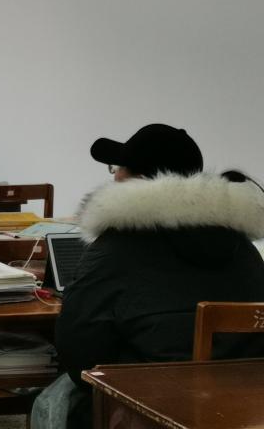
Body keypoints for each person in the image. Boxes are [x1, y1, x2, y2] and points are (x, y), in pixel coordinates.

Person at [54, 123, 264, 428]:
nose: (114, 176)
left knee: (52, 399)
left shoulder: (117, 246)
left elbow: (79, 351)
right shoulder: (241, 246)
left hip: (150, 410)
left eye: (118, 168)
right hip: (245, 410)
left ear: (138, 179)